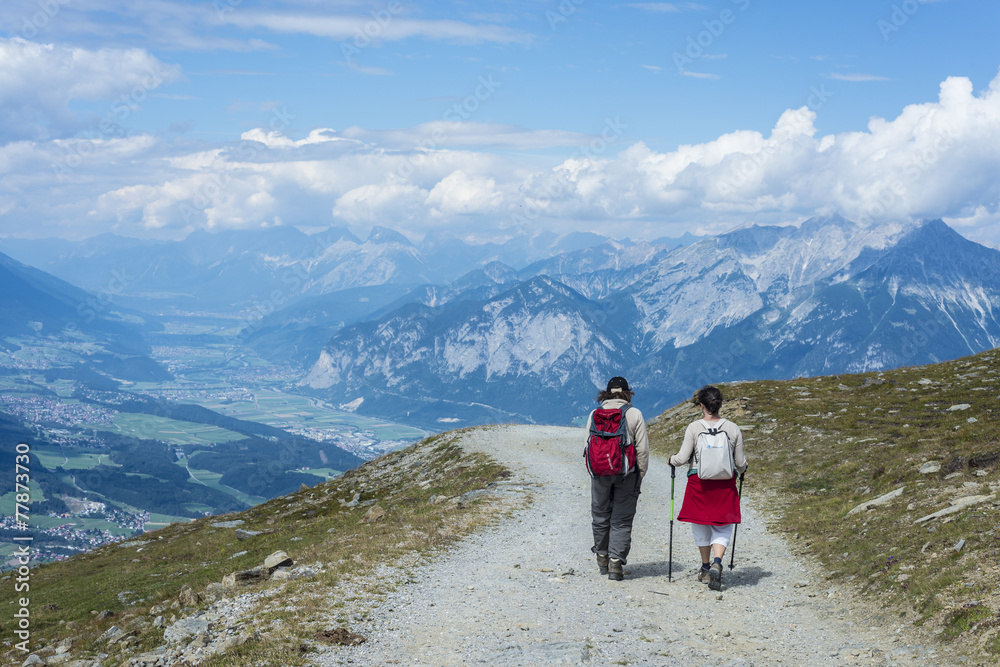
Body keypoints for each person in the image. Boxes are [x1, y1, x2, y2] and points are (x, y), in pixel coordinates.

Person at [669, 385, 747, 591]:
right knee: (722, 525)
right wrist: (743, 469)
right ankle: (717, 562)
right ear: (720, 404)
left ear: (701, 406)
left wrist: (671, 460)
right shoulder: (732, 428)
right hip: (725, 483)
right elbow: (740, 463)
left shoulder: (694, 428)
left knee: (700, 523)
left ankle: (704, 568)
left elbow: (682, 458)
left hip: (699, 482)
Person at [586, 376, 649, 581]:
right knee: (621, 519)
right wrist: (640, 475)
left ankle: (602, 557)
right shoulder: (634, 413)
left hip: (599, 474)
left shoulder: (595, 414)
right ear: (627, 393)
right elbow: (642, 450)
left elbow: (588, 446)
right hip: (627, 474)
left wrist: (594, 470)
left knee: (600, 515)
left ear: (606, 393)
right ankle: (615, 564)